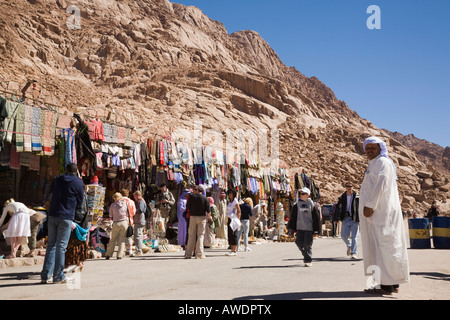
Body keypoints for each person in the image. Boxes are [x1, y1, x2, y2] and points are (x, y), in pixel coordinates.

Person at [359, 136, 410, 295]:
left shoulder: (383, 162)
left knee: (384, 248)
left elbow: (381, 184)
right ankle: (391, 284)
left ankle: (385, 285)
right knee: (384, 248)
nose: (369, 151)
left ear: (380, 149)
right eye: (367, 148)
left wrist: (370, 205)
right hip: (378, 215)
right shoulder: (374, 163)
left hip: (381, 213)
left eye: (373, 148)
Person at [41, 163, 85, 284]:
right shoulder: (78, 182)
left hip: (53, 214)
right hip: (66, 216)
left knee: (51, 245)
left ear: (66, 170)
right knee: (61, 246)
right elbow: (81, 200)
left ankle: (45, 275)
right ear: (76, 171)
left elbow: (52, 193)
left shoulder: (58, 179)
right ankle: (58, 276)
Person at [287, 187, 320, 267]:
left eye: (303, 194)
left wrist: (316, 230)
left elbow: (316, 218)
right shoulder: (297, 204)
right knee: (298, 243)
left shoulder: (312, 204)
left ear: (308, 195)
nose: (301, 195)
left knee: (307, 244)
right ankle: (305, 254)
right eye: (300, 194)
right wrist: (291, 228)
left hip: (309, 228)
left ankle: (308, 260)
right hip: (300, 228)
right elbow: (293, 217)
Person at [65, 192, 89, 273]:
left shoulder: (80, 195)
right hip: (76, 223)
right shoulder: (78, 195)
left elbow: (80, 212)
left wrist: (73, 221)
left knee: (76, 244)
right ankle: (68, 264)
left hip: (77, 224)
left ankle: (79, 264)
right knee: (71, 244)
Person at [185, 185, 211, 259]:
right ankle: (199, 254)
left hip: (193, 217)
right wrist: (209, 217)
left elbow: (187, 207)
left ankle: (188, 254)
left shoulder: (191, 198)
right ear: (202, 191)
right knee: (200, 235)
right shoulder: (205, 199)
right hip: (202, 218)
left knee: (191, 235)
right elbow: (208, 211)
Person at [336, 182, 360, 259]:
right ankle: (349, 246)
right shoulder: (342, 197)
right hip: (346, 218)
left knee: (354, 236)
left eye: (350, 186)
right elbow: (338, 208)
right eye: (347, 186)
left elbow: (360, 207)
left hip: (354, 218)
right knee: (343, 235)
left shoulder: (357, 197)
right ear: (345, 187)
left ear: (352, 187)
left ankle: (354, 253)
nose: (349, 188)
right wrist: (337, 218)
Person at [105, 192, 129, 260]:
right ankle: (119, 255)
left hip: (116, 223)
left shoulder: (113, 205)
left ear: (114, 198)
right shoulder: (125, 204)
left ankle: (108, 254)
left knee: (113, 239)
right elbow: (127, 213)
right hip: (124, 222)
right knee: (122, 240)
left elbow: (110, 215)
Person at [225, 189, 241, 256]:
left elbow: (238, 210)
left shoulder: (235, 201)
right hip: (229, 218)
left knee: (234, 234)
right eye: (229, 193)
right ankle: (231, 249)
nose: (229, 194)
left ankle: (234, 250)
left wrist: (238, 220)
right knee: (230, 234)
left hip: (234, 219)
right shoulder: (229, 201)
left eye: (231, 193)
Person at [120, 189, 136, 256]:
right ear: (127, 194)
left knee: (121, 236)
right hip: (129, 221)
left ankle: (122, 251)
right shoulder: (131, 202)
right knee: (129, 236)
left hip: (120, 220)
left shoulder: (118, 201)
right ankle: (129, 251)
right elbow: (134, 212)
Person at [132, 190, 147, 256]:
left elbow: (141, 210)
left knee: (137, 235)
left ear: (137, 195)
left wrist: (134, 211)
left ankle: (138, 250)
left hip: (139, 220)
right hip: (140, 220)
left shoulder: (140, 201)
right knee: (139, 235)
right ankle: (139, 249)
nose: (134, 198)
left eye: (134, 196)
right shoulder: (141, 200)